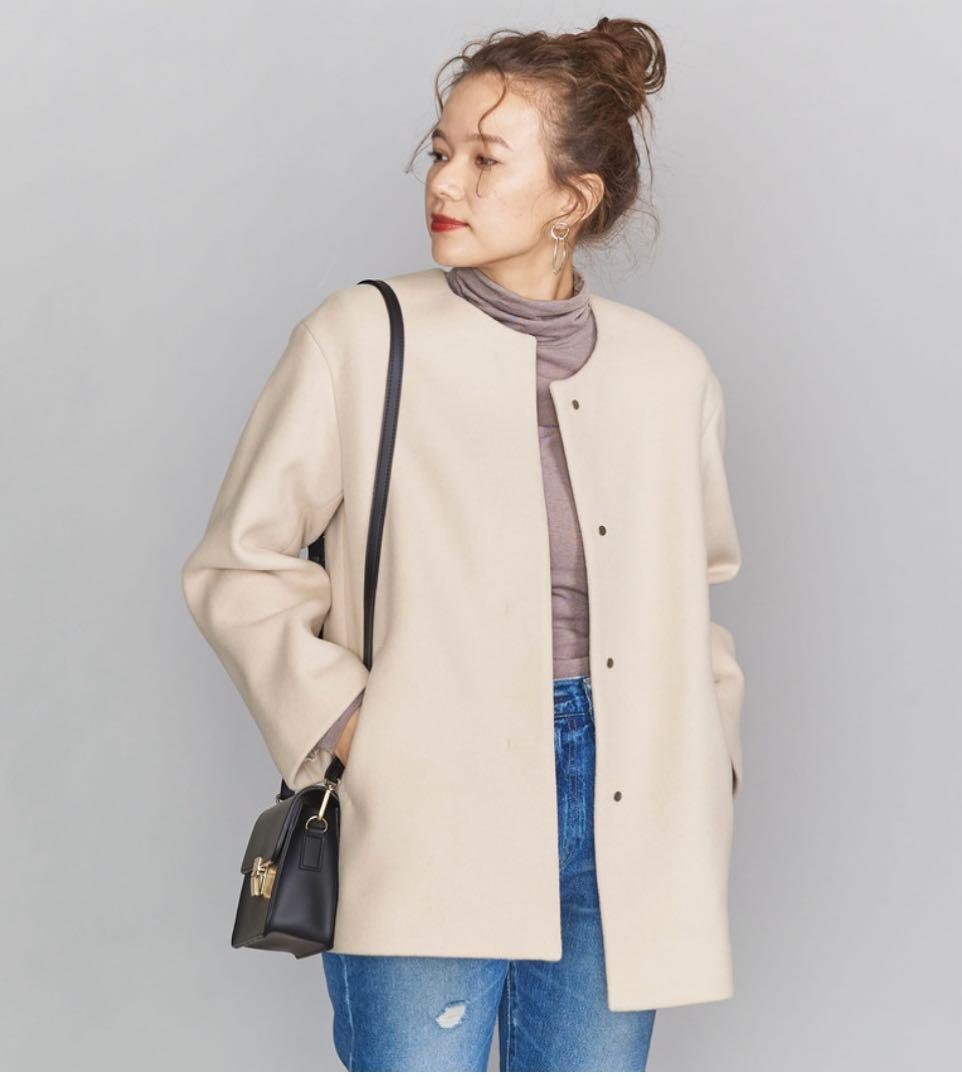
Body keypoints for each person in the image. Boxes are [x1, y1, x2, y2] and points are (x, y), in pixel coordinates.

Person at [181, 16, 745, 1072]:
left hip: (632, 806)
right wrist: (354, 730)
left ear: (572, 199)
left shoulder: (670, 375)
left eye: (487, 159)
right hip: (430, 794)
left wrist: (711, 760)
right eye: (441, 151)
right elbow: (238, 567)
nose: (444, 181)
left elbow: (698, 591)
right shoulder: (360, 337)